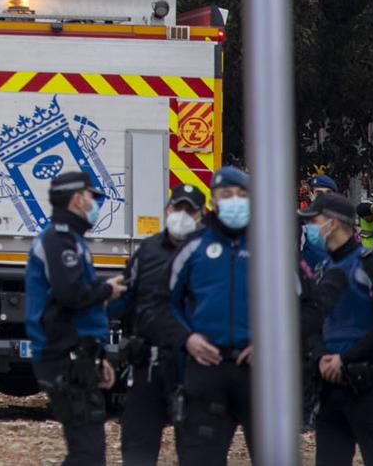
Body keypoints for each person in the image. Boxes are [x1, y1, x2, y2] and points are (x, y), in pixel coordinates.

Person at [23, 169, 124, 466]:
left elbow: (83, 311)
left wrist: (98, 356)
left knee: (88, 452)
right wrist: (106, 290)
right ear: (77, 199)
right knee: (87, 453)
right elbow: (70, 294)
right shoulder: (58, 241)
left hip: (79, 356)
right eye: (92, 197)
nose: (95, 204)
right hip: (63, 357)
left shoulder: (74, 240)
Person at [301, 191, 373, 465]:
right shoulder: (322, 269)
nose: (309, 227)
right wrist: (322, 356)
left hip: (370, 386)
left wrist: (345, 359)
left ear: (332, 224)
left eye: (314, 220)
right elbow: (313, 323)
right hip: (331, 388)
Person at [166, 164, 254, 465]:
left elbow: (303, 305)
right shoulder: (193, 248)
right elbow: (163, 303)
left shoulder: (271, 247)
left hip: (258, 372)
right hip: (206, 370)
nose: (234, 200)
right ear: (213, 201)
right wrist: (186, 338)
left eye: (241, 194)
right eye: (226, 194)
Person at [119, 181, 205, 466]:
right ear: (167, 209)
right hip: (150, 361)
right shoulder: (147, 251)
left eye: (189, 210)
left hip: (193, 364)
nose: (182, 214)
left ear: (201, 215)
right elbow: (125, 299)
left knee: (196, 450)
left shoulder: (208, 252)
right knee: (138, 448)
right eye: (177, 207)